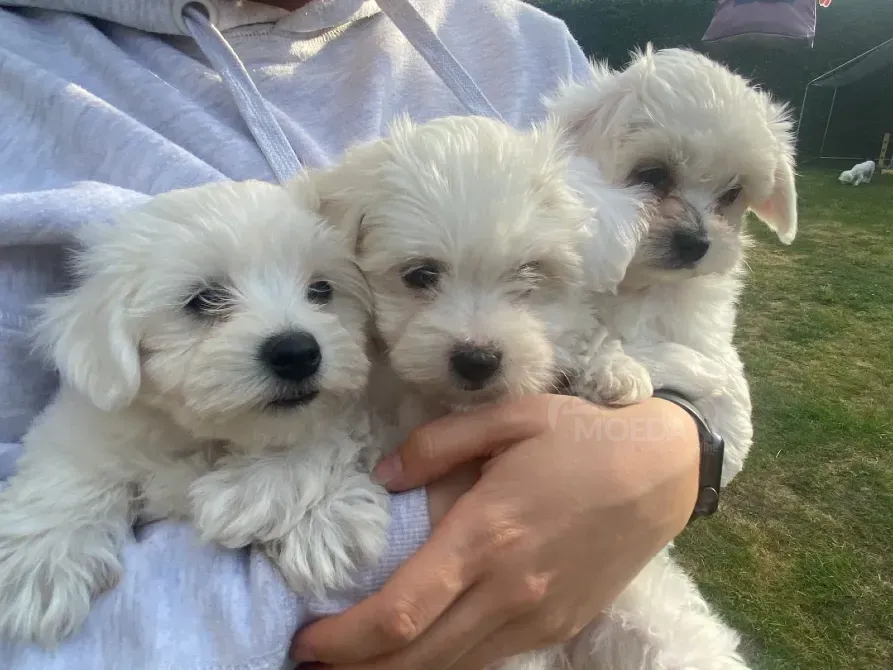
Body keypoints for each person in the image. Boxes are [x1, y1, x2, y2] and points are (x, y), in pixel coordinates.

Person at [0, 0, 704, 668]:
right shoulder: (22, 63)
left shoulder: (528, 43)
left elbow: (672, 332)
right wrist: (424, 529)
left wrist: (680, 442)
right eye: (419, 276)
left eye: (321, 291)